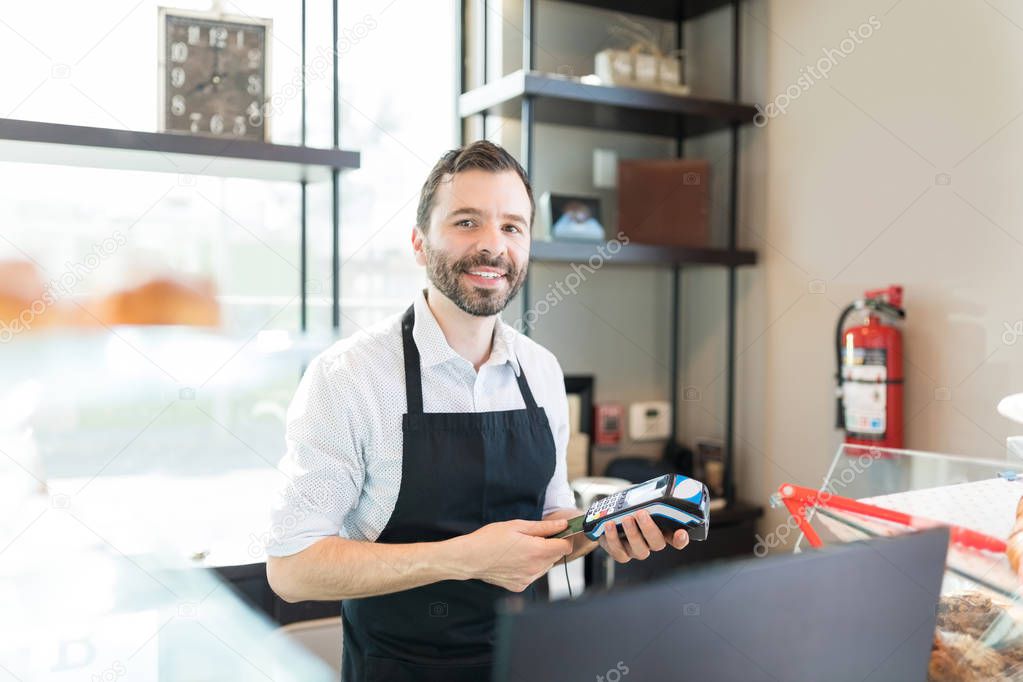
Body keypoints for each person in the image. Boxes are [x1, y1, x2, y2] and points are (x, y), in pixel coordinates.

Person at [265, 140, 690, 681]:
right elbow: (292, 568)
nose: (494, 246)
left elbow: (552, 522)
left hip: (530, 665)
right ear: (420, 244)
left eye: (513, 227)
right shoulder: (350, 376)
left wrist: (604, 527)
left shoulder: (541, 371)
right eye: (468, 222)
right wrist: (462, 558)